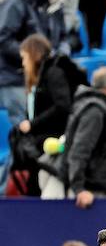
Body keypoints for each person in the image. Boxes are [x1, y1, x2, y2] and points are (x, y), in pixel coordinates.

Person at [40, 67, 106, 207]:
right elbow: (80, 150)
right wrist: (79, 189)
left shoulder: (101, 106)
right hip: (90, 191)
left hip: (102, 187)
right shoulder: (95, 111)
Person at [7, 33, 81, 196]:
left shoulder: (54, 73)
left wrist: (33, 124)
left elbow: (62, 106)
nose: (23, 63)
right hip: (39, 139)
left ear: (34, 55)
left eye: (25, 57)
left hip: (51, 140)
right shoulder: (39, 77)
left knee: (42, 185)